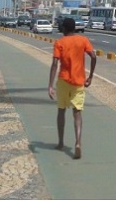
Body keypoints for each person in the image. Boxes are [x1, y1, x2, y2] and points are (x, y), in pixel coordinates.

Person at [47, 17, 97, 159]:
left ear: (64, 29)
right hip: (79, 81)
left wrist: (50, 85)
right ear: (74, 28)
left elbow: (55, 64)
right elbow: (93, 56)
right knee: (77, 113)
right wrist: (91, 76)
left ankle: (61, 142)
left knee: (61, 111)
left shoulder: (59, 42)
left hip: (63, 80)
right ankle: (78, 143)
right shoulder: (83, 40)